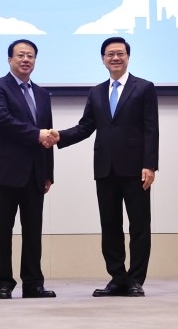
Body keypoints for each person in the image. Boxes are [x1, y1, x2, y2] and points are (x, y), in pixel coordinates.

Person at [54, 36, 159, 297]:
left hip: (136, 169)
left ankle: (135, 280)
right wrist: (59, 136)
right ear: (103, 59)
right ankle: (117, 278)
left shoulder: (144, 88)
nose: (115, 58)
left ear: (128, 57)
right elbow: (86, 126)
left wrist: (150, 165)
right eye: (110, 54)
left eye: (120, 53)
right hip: (105, 169)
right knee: (110, 226)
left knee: (139, 226)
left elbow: (151, 128)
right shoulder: (96, 92)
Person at [0, 39, 57, 300]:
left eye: (31, 56)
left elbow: (47, 134)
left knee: (33, 231)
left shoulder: (42, 94)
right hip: (3, 172)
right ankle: (3, 283)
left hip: (35, 173)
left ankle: (33, 284)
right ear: (10, 60)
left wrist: (48, 172)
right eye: (21, 55)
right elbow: (1, 120)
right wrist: (36, 134)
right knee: (3, 230)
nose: (26, 60)